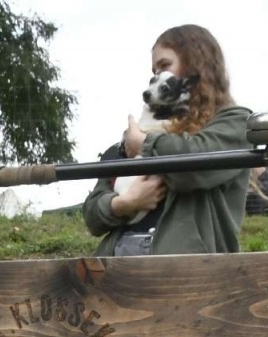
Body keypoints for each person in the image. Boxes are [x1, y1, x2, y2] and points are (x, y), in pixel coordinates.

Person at [83, 25, 251, 256]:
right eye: (154, 71)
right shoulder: (140, 131)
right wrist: (124, 203)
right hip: (115, 265)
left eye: (165, 65)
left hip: (184, 271)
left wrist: (144, 144)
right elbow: (92, 214)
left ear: (197, 64)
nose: (157, 76)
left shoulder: (235, 122)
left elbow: (191, 169)